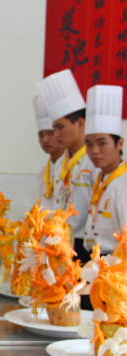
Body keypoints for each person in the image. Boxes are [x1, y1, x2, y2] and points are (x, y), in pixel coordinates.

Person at [37, 69, 95, 264]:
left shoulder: (93, 162)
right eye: (54, 128)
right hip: (60, 243)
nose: (56, 135)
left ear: (80, 124)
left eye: (60, 127)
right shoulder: (62, 162)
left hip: (83, 247)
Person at [83, 85, 127, 256]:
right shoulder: (101, 177)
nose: (94, 151)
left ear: (119, 143)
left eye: (102, 143)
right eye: (89, 144)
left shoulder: (123, 182)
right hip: (94, 259)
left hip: (115, 263)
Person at [33, 95, 64, 211]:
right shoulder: (43, 173)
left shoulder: (70, 169)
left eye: (51, 134)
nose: (45, 140)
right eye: (41, 135)